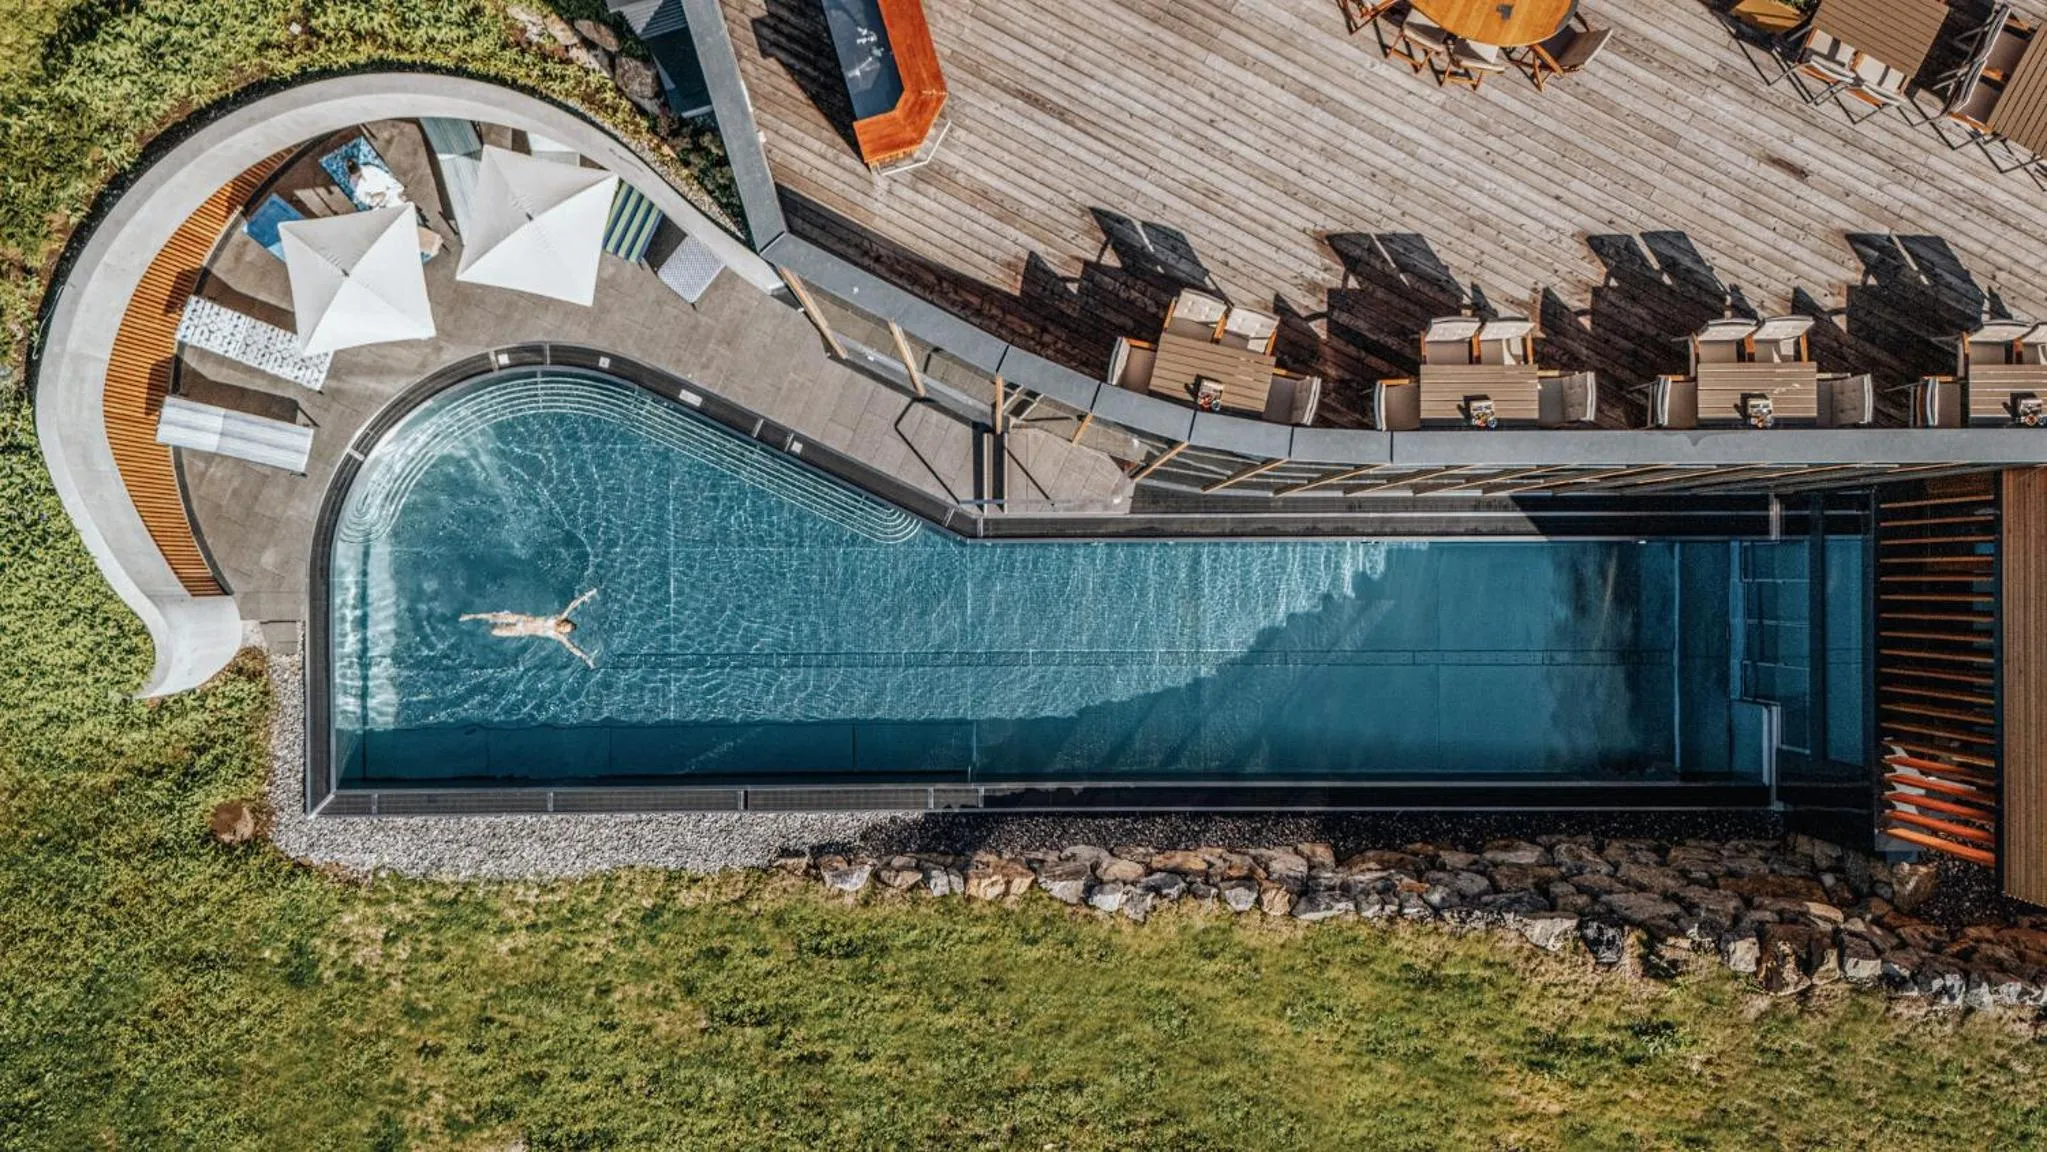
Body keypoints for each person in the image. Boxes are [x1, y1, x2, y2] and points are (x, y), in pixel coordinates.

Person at [461, 589, 598, 669]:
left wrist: (586, 658)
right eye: (565, 625)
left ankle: (473, 632)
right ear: (565, 622)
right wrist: (587, 595)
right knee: (494, 616)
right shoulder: (558, 618)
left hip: (521, 631)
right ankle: (470, 616)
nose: (563, 628)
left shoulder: (559, 636)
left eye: (565, 630)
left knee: (494, 631)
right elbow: (572, 605)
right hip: (521, 619)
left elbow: (572, 648)